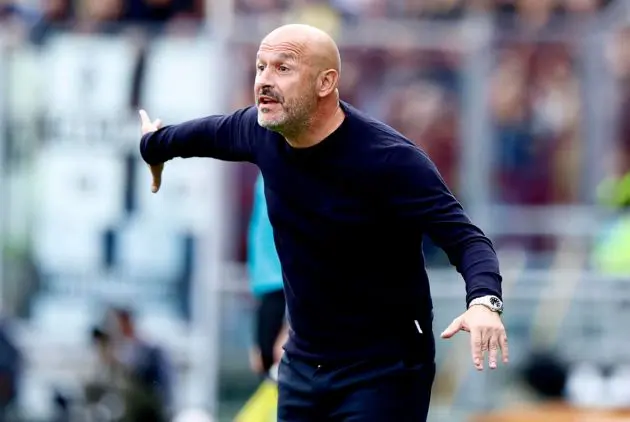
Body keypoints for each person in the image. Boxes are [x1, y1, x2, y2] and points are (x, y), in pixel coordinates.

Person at [139, 23, 509, 422]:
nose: (263, 80)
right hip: (304, 365)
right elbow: (195, 136)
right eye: (261, 67)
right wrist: (152, 147)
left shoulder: (390, 159)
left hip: (385, 369)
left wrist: (485, 302)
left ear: (325, 82)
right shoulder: (259, 131)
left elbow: (467, 240)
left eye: (283, 68)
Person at [247, 173, 288, 378]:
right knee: (263, 360)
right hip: (266, 281)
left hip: (284, 279)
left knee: (278, 356)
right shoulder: (265, 170)